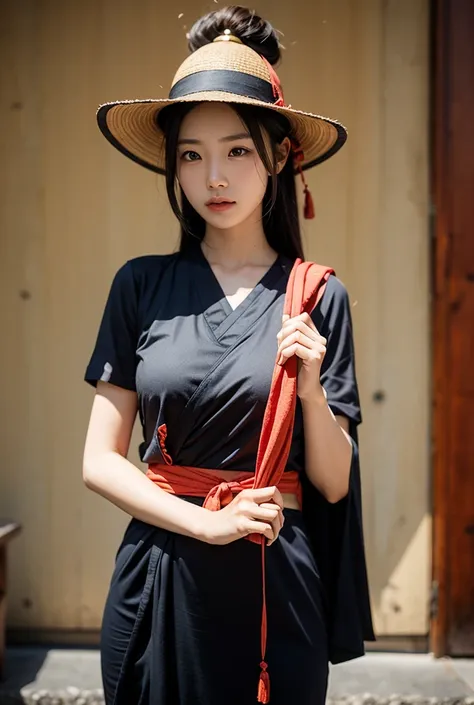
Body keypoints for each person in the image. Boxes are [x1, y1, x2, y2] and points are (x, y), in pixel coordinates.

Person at [83, 6, 375, 705]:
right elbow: (97, 460)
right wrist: (206, 522)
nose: (213, 175)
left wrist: (309, 390)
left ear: (279, 157)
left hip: (276, 583)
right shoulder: (140, 284)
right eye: (191, 153)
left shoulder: (315, 295)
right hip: (160, 573)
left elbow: (333, 484)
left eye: (237, 150)